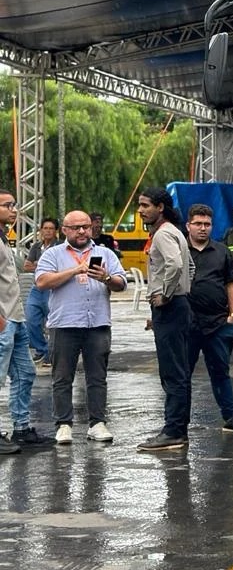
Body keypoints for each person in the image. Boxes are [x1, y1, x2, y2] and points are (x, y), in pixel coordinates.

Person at [36, 209, 128, 444]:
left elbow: (122, 283)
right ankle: (63, 424)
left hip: (97, 323)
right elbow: (42, 281)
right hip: (64, 323)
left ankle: (97, 423)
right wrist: (74, 270)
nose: (82, 231)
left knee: (97, 377)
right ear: (64, 230)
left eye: (85, 226)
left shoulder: (105, 253)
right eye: (76, 227)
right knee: (62, 377)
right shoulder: (53, 253)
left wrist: (106, 278)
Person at [137, 187, 195, 452]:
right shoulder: (176, 232)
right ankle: (177, 429)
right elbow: (190, 267)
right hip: (180, 306)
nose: (141, 210)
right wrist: (182, 291)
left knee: (173, 373)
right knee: (179, 372)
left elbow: (177, 265)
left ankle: (173, 431)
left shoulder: (163, 234)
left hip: (170, 307)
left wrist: (166, 295)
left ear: (160, 207)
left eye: (146, 205)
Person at [184, 203, 233, 434]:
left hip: (218, 323)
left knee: (220, 372)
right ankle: (178, 423)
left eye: (207, 224)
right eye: (198, 224)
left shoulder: (222, 251)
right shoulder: (180, 250)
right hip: (187, 325)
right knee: (183, 375)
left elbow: (230, 282)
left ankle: (231, 417)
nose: (203, 228)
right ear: (188, 225)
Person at [0, 191, 52, 451]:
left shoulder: (4, 238)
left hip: (15, 317)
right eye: (7, 205)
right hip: (2, 319)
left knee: (25, 373)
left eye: (14, 205)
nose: (13, 210)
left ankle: (21, 428)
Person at [23, 216, 58, 367]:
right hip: (36, 288)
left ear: (56, 231)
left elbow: (57, 267)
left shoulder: (60, 247)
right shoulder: (36, 247)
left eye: (51, 228)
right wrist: (41, 266)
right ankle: (42, 349)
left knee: (53, 323)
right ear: (40, 230)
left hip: (52, 288)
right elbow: (26, 266)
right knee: (31, 319)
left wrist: (38, 264)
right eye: (45, 228)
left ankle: (51, 353)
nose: (48, 231)